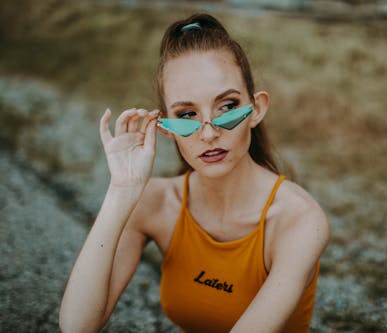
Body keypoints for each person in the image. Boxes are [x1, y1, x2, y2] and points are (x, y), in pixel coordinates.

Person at [59, 13, 330, 333]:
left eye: (227, 106)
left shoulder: (299, 220)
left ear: (256, 108)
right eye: (187, 114)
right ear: (166, 127)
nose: (209, 133)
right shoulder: (156, 203)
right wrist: (122, 190)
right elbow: (77, 326)